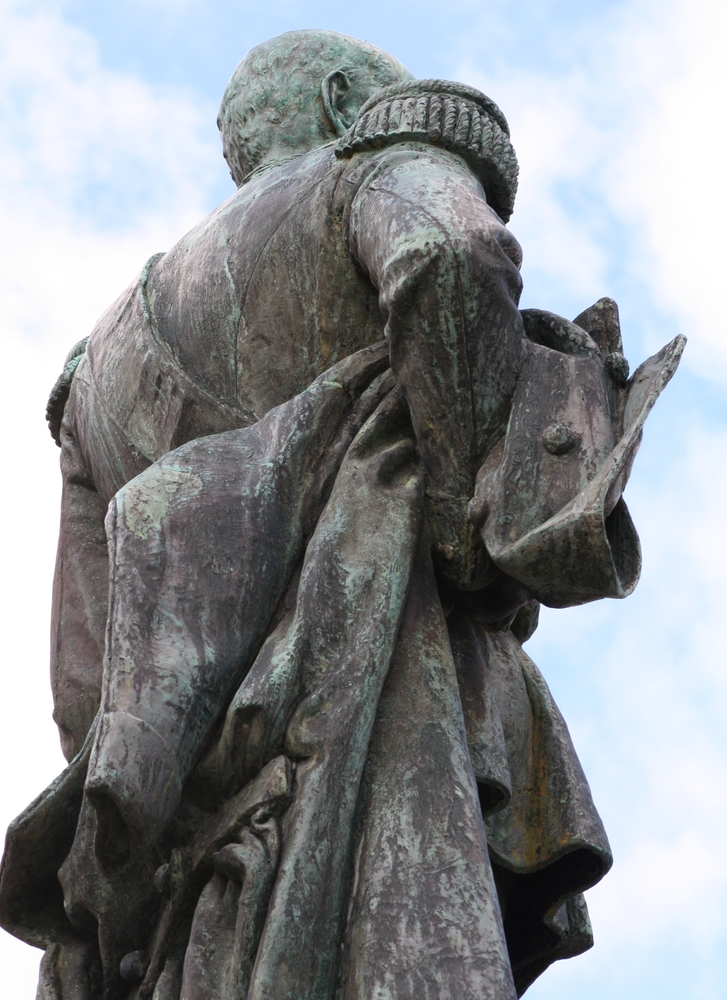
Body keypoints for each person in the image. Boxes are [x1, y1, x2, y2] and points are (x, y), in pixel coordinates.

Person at [0, 29, 683, 1000]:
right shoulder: (374, 163)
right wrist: (459, 504)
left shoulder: (94, 373)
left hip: (187, 872)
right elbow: (454, 247)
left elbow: (84, 685)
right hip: (375, 726)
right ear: (337, 102)